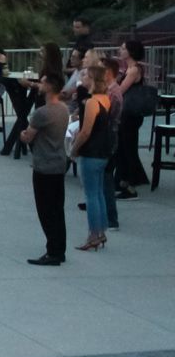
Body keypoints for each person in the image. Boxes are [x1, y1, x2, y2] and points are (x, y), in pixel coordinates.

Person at [21, 73, 70, 265]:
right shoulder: (63, 109)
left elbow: (28, 136)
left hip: (44, 165)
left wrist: (22, 134)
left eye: (42, 82)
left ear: (49, 86)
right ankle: (60, 248)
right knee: (58, 208)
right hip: (58, 162)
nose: (39, 85)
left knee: (46, 209)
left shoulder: (42, 112)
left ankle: (53, 251)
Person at [70, 64, 117, 252]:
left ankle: (93, 234)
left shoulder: (92, 102)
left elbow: (85, 131)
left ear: (93, 80)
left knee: (91, 195)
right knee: (98, 193)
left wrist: (74, 148)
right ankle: (101, 230)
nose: (83, 78)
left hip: (91, 152)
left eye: (87, 75)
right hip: (103, 152)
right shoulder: (105, 99)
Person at [112, 40, 150, 201]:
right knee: (124, 147)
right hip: (127, 114)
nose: (120, 50)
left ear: (131, 51)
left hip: (130, 114)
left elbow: (121, 90)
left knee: (127, 148)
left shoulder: (133, 70)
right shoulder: (129, 69)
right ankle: (123, 181)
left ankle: (130, 184)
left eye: (123, 48)